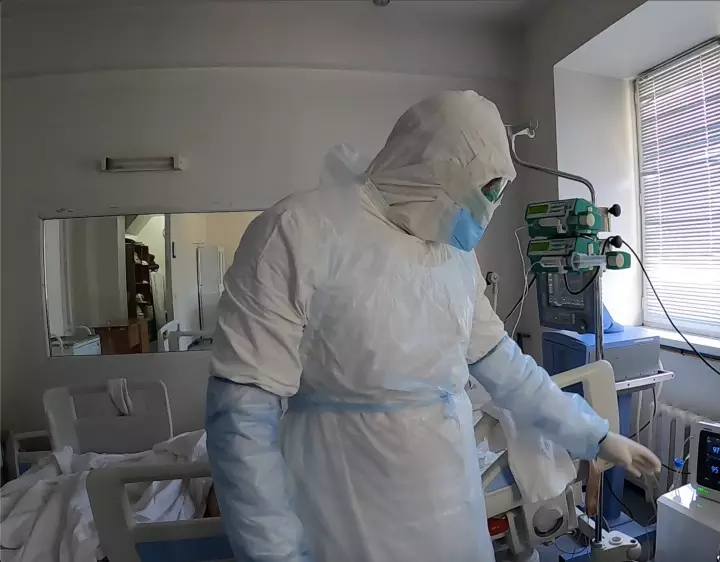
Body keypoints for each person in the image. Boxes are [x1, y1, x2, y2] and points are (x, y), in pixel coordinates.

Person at [205, 90, 660, 562]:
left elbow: (507, 368)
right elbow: (242, 419)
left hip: (450, 499)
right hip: (347, 500)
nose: (486, 213)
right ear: (434, 173)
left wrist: (595, 435)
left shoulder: (455, 258)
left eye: (496, 195)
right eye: (483, 192)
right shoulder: (298, 233)